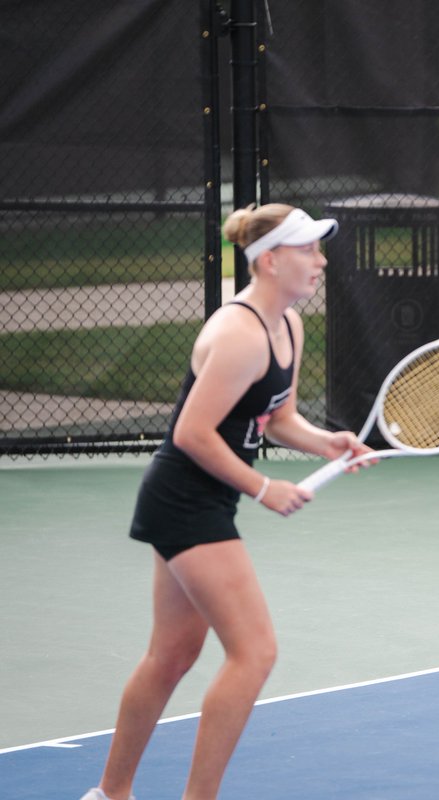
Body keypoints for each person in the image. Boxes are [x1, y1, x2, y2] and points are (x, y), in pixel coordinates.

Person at [81, 204, 374, 800]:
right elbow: (192, 434)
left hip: (200, 497)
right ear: (270, 261)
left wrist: (328, 443)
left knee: (171, 655)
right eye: (308, 250)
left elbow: (278, 416)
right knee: (255, 652)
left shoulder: (286, 325)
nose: (321, 261)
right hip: (185, 499)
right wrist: (264, 488)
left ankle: (109, 795)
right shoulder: (237, 334)